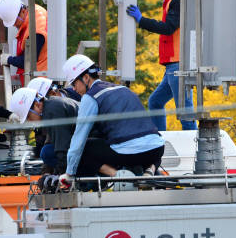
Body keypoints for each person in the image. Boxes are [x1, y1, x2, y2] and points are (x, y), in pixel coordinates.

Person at [58, 54, 165, 190]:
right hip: (156, 150)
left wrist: (69, 173)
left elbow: (79, 139)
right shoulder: (123, 89)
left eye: (74, 83)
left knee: (84, 148)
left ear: (85, 78)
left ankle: (120, 176)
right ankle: (149, 172)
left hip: (129, 154)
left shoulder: (91, 97)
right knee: (154, 140)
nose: (73, 89)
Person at [125, 0, 197, 131]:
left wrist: (142, 20)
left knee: (184, 110)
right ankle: (160, 140)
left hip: (178, 64)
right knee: (155, 102)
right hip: (174, 65)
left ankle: (194, 147)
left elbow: (168, 28)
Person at [10, 87, 79, 175]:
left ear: (37, 105)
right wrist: (46, 173)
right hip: (87, 143)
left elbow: (62, 148)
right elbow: (52, 143)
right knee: (47, 151)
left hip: (93, 143)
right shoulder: (50, 107)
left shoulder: (53, 111)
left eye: (28, 117)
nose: (29, 121)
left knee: (48, 152)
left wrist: (62, 176)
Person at [0, 0, 48, 85]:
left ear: (23, 12)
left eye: (15, 22)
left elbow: (28, 61)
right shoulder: (35, 11)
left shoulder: (36, 31)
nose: (14, 25)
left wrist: (9, 59)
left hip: (41, 82)